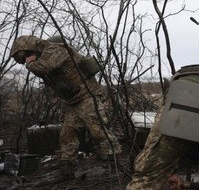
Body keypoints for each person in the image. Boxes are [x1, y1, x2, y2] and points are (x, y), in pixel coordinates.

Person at [10, 35, 121, 181]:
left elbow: (44, 67)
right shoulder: (44, 54)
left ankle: (118, 165)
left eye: (26, 56)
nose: (26, 60)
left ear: (30, 48)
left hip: (88, 95)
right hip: (73, 100)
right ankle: (66, 170)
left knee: (97, 130)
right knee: (67, 135)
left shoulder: (55, 49)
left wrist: (30, 64)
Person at [127, 64, 199, 190]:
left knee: (148, 174)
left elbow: (162, 151)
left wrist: (171, 172)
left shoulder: (175, 85)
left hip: (178, 102)